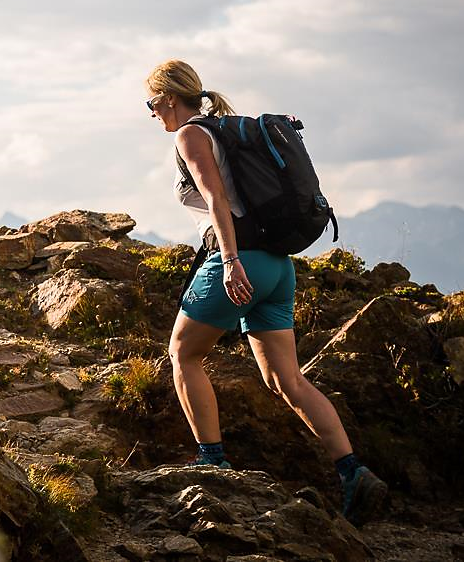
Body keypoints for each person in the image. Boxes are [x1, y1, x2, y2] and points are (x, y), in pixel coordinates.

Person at [145, 58, 387, 527]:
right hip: (278, 268)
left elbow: (215, 198)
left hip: (239, 260)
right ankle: (353, 472)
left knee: (182, 354)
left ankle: (212, 462)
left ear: (170, 98)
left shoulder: (191, 135)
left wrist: (231, 262)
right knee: (286, 381)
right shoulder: (224, 130)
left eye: (152, 102)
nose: (151, 112)